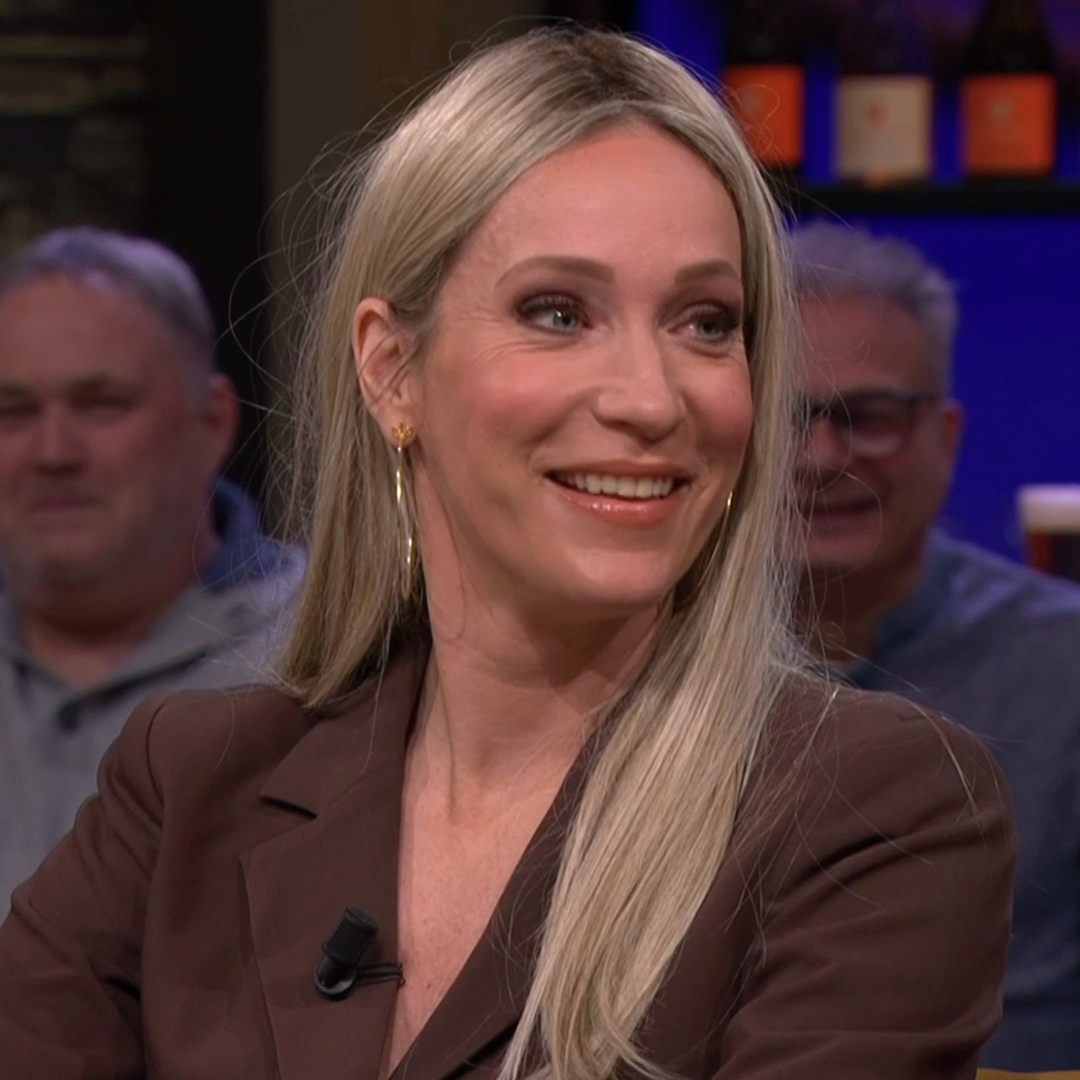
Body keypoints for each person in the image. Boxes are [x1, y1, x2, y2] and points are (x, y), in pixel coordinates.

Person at [0, 30, 1014, 1080]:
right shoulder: (191, 781)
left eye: (706, 323)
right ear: (392, 370)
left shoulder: (877, 808)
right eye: (558, 313)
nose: (651, 399)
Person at [791, 219, 1080, 1072]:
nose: (822, 457)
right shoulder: (629, 662)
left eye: (869, 418)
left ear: (945, 439)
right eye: (785, 416)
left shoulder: (1065, 669)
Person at [0, 227, 304, 902]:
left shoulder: (334, 654)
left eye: (100, 405)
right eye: (13, 412)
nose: (52, 453)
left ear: (212, 422)